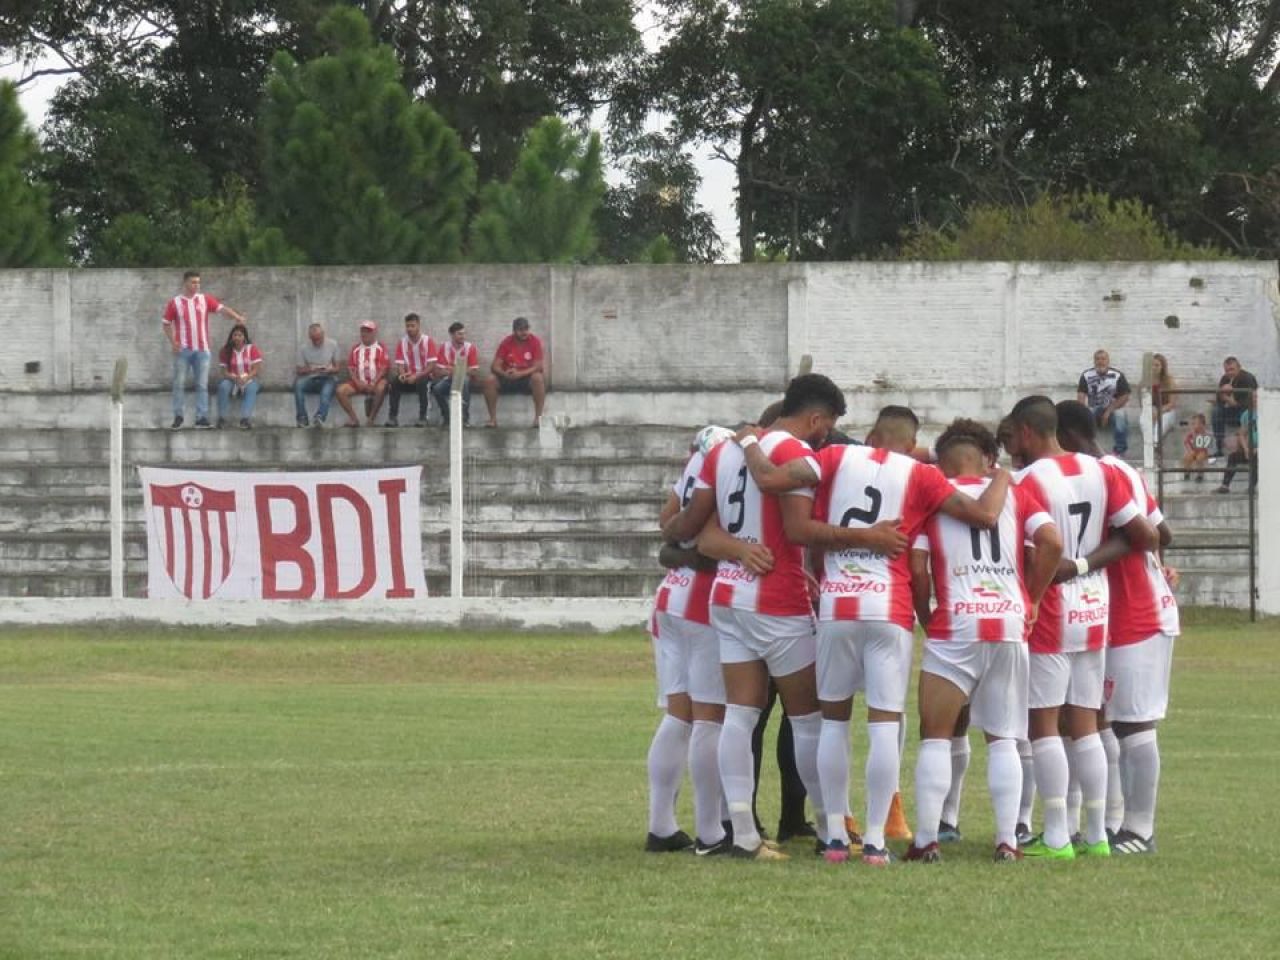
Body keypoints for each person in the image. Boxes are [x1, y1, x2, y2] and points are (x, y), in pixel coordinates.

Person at [738, 404, 1011, 864]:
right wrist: (1003, 473)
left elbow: (768, 479)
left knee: (834, 723)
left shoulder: (832, 459)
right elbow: (984, 515)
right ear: (911, 445)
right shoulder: (921, 475)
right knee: (885, 723)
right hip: (890, 608)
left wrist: (747, 440)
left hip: (838, 606)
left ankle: (834, 836)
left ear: (868, 436)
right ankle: (879, 841)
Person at [661, 375, 901, 860]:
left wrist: (713, 540)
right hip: (778, 599)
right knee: (811, 720)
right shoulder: (799, 455)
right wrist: (868, 537)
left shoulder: (720, 451)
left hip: (728, 597)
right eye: (828, 425)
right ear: (816, 418)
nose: (826, 436)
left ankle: (744, 835)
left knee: (740, 716)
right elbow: (797, 528)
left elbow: (697, 531)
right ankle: (831, 826)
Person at [1005, 396, 1157, 860]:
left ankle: (1054, 835)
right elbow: (1141, 536)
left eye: (1014, 436)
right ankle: (1094, 835)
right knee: (1087, 721)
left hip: (1050, 603)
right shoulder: (1103, 471)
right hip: (1094, 601)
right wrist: (1086, 563)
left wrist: (1030, 593)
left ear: (1027, 433)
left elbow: (1033, 546)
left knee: (1045, 722)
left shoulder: (1026, 480)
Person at [906, 419, 1062, 863]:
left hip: (955, 624)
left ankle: (926, 840)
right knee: (1004, 738)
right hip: (1008, 623)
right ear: (988, 459)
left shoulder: (933, 497)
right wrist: (1029, 599)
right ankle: (1006, 842)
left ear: (943, 460)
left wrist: (925, 614)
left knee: (936, 736)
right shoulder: (1015, 492)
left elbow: (917, 567)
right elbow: (1051, 541)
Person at [1056, 400, 1180, 856]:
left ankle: (1140, 830)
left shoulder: (1104, 475)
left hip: (1139, 614)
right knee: (1101, 720)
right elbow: (1161, 535)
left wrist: (1083, 564)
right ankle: (1111, 822)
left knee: (1133, 722)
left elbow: (1150, 536)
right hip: (1106, 612)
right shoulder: (1119, 470)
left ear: (1066, 436)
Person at [646, 425, 772, 856]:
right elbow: (705, 536)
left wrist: (680, 543)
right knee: (710, 718)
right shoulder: (729, 465)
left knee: (679, 715)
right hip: (703, 600)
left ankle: (660, 824)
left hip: (669, 597)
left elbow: (668, 526)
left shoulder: (694, 463)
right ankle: (710, 831)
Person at [162, 270, 247, 429]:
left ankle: (201, 418)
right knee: (179, 383)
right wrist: (173, 342)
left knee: (202, 385)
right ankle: (178, 416)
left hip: (203, 350)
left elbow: (222, 309)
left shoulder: (204, 299)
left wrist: (237, 317)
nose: (196, 285)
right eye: (193, 282)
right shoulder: (175, 302)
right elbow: (166, 323)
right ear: (185, 283)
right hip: (183, 351)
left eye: (198, 282)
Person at [483, 316, 545, 428]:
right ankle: (493, 419)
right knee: (489, 380)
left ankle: (538, 419)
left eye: (526, 329)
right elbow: (495, 366)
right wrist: (505, 374)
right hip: (508, 377)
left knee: (538, 378)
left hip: (526, 377)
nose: (524, 332)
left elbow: (538, 366)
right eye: (521, 330)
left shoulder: (534, 341)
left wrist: (520, 373)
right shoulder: (506, 342)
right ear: (514, 331)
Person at [1076, 349, 1131, 456]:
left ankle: (1119, 451)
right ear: (1094, 361)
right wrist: (1082, 411)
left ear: (1108, 361)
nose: (1100, 361)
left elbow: (1125, 396)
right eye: (1097, 359)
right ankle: (1087, 449)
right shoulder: (1086, 375)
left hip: (1113, 408)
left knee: (1121, 416)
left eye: (1103, 359)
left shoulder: (1117, 375)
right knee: (1083, 417)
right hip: (1094, 407)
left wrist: (1108, 411)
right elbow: (1081, 395)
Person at [335, 321, 389, 427]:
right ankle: (354, 419)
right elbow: (351, 369)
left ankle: (371, 419)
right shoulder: (356, 349)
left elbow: (384, 368)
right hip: (359, 382)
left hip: (376, 382)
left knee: (382, 387)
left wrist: (374, 382)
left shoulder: (381, 347)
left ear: (374, 333)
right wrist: (358, 383)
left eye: (368, 331)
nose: (365, 334)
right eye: (363, 331)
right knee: (340, 390)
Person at [388, 312, 437, 427]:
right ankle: (392, 417)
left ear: (418, 326)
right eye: (407, 326)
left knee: (423, 381)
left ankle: (423, 417)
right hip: (409, 376)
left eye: (412, 326)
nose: (409, 329)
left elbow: (431, 365)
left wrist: (417, 376)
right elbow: (399, 364)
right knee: (394, 382)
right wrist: (403, 375)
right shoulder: (402, 342)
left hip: (424, 376)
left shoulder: (427, 341)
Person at [433, 321, 481, 428]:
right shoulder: (444, 347)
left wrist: (458, 371)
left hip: (465, 379)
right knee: (437, 389)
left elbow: (474, 371)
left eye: (464, 333)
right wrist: (450, 372)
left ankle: (464, 418)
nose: (462, 336)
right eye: (459, 334)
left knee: (464, 381)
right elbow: (438, 371)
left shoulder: (470, 348)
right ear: (452, 335)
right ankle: (447, 417)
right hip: (448, 379)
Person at [214, 324, 263, 429]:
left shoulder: (251, 349)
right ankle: (222, 419)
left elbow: (256, 369)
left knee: (252, 388)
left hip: (249, 379)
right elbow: (224, 371)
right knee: (223, 386)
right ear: (231, 337)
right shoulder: (225, 350)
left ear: (244, 337)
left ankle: (245, 420)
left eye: (240, 335)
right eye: (235, 335)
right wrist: (234, 378)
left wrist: (246, 378)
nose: (237, 337)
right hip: (232, 379)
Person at [294, 323, 340, 427]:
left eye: (319, 339)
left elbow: (338, 368)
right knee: (298, 384)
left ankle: (320, 417)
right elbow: (299, 370)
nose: (317, 342)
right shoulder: (303, 348)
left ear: (323, 334)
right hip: (311, 377)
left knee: (326, 390)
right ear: (309, 337)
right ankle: (302, 418)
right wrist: (309, 369)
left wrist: (329, 369)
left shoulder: (333, 344)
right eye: (314, 339)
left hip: (328, 377)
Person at [1211, 356, 1258, 458]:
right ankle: (1219, 447)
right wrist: (1221, 394)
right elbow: (1219, 401)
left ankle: (1247, 448)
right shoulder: (1225, 379)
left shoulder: (1248, 379)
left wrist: (1233, 402)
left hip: (1245, 413)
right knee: (1216, 412)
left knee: (1246, 413)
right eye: (1227, 370)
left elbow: (1252, 402)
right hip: (1231, 413)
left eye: (1232, 369)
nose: (1229, 373)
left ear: (1239, 367)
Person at [1217, 391, 1259, 493]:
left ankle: (1252, 487)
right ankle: (1225, 485)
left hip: (1266, 449)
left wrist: (1258, 449)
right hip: (1250, 448)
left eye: (1257, 397)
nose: (1256, 399)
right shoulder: (1246, 414)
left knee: (1256, 458)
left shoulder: (1268, 414)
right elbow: (1242, 434)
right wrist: (1246, 449)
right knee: (1233, 457)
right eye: (1254, 397)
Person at [1151, 353, 1179, 442]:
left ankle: (1154, 443)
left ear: (1162, 367)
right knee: (1144, 421)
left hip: (1168, 411)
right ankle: (1151, 444)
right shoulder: (1147, 381)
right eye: (1152, 365)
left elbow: (1172, 403)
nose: (1154, 368)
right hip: (1154, 410)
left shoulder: (1169, 381)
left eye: (1157, 365)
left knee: (1161, 423)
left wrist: (1159, 412)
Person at [1181, 413, 1212, 480]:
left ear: (1202, 425)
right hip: (1193, 451)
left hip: (1202, 451)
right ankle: (1187, 472)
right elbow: (1186, 442)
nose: (1193, 426)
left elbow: (1202, 446)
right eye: (1192, 424)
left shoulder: (1205, 434)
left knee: (1199, 458)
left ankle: (1200, 474)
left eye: (1195, 423)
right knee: (1187, 457)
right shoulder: (1190, 434)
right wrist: (1190, 450)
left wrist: (1194, 434)